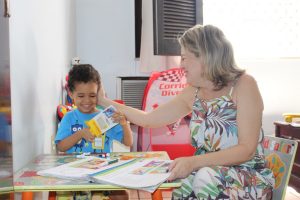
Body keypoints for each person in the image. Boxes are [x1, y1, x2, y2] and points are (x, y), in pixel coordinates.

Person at [97, 25, 275, 199]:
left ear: (205, 57)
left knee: (204, 178)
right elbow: (148, 120)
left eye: (184, 58)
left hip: (249, 177)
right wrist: (102, 101)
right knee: (183, 186)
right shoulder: (193, 92)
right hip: (207, 173)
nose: (181, 64)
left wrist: (192, 162)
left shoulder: (244, 85)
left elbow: (247, 150)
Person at [55, 64, 133, 200]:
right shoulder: (69, 118)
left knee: (123, 195)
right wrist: (79, 134)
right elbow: (61, 146)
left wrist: (124, 124)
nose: (87, 101)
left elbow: (128, 142)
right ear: (71, 93)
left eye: (92, 95)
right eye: (80, 95)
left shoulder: (106, 117)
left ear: (98, 93)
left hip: (102, 173)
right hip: (75, 174)